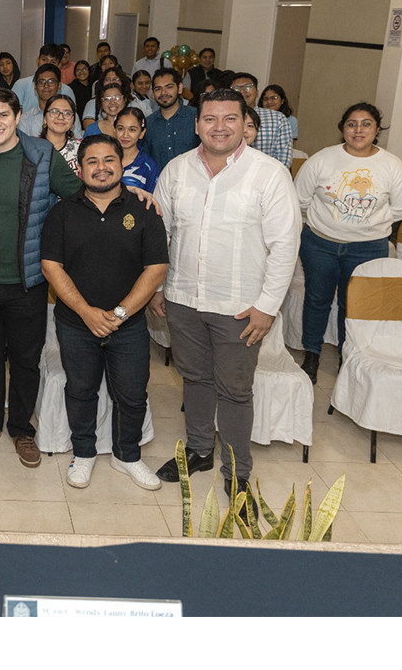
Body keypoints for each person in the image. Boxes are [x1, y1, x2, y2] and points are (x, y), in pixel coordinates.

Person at [150, 88, 300, 509]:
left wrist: (267, 306)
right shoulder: (177, 171)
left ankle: (237, 474)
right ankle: (198, 451)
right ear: (196, 125)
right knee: (194, 379)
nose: (219, 127)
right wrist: (159, 287)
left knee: (235, 391)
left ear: (245, 124)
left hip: (240, 307)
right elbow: (158, 234)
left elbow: (285, 246)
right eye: (210, 119)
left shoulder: (269, 175)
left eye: (229, 118)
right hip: (182, 299)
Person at [0, 87, 83, 469]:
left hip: (28, 281)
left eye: (3, 115)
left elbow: (77, 197)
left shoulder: (41, 155)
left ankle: (22, 428)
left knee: (25, 359)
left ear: (19, 116)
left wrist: (132, 196)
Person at [41, 134, 169, 490]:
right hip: (75, 323)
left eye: (109, 159)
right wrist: (86, 313)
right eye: (92, 161)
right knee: (81, 390)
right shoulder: (62, 212)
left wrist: (120, 313)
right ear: (80, 169)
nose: (101, 167)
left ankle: (127, 455)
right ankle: (82, 453)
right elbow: (51, 266)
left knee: (132, 393)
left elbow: (156, 268)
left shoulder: (145, 210)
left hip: (128, 325)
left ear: (122, 163)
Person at [293, 102, 402, 383]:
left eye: (366, 123)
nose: (358, 129)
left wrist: (369, 222)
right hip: (320, 244)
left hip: (368, 248)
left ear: (376, 130)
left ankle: (348, 359)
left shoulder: (391, 165)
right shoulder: (322, 159)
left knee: (355, 305)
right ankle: (311, 354)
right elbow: (299, 198)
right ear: (342, 129)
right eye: (351, 124)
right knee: (316, 299)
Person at [229, 72, 292, 168]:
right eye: (236, 88)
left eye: (248, 87)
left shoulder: (278, 119)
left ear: (257, 92)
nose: (242, 91)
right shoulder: (223, 117)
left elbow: (283, 161)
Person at [144, 68, 198, 168]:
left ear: (180, 88)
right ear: (153, 94)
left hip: (193, 181)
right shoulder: (148, 123)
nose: (163, 92)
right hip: (159, 182)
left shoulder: (195, 117)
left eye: (169, 87)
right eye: (158, 89)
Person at [20, 63, 82, 139]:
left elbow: (78, 144)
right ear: (35, 86)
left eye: (51, 81)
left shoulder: (69, 115)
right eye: (41, 82)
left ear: (59, 85)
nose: (46, 86)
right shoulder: (26, 119)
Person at [12, 44, 73, 115]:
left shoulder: (67, 91)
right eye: (44, 60)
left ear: (59, 65)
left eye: (53, 62)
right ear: (37, 60)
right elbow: (13, 114)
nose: (47, 64)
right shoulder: (21, 84)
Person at [115, 107, 160, 194]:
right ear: (114, 130)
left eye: (132, 130)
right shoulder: (105, 160)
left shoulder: (149, 166)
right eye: (120, 128)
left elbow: (152, 200)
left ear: (142, 133)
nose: (125, 135)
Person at [40, 94, 82, 175]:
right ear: (45, 119)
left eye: (67, 113)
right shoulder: (32, 147)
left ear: (73, 122)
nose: (60, 117)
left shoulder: (81, 149)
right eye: (54, 112)